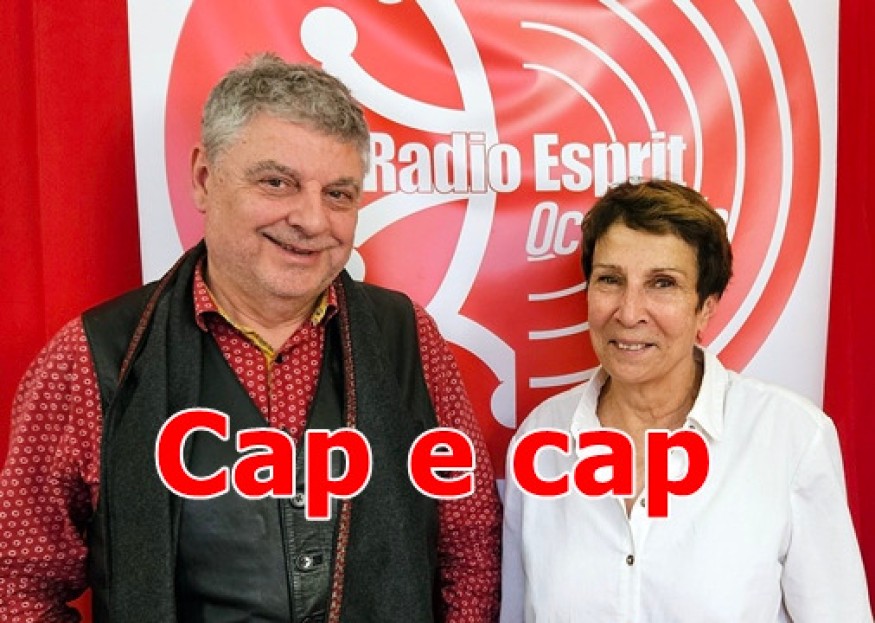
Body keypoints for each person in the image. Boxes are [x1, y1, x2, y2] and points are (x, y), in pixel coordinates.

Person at [0, 53, 501, 622]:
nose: (312, 220)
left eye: (338, 194)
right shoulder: (93, 357)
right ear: (204, 179)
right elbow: (18, 583)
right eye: (277, 182)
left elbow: (468, 542)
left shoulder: (409, 339)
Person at [500, 179, 872, 622]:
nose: (629, 312)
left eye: (662, 283)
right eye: (610, 280)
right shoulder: (542, 438)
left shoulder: (791, 438)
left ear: (706, 308)